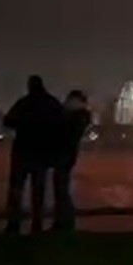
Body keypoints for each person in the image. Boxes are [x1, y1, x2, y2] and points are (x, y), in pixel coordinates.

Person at [3, 75, 63, 235]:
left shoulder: (24, 103)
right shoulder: (52, 103)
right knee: (38, 191)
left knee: (16, 189)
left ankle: (13, 224)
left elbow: (8, 121)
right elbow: (62, 124)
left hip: (22, 150)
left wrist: (23, 124)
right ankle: (37, 225)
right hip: (42, 153)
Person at [52, 90, 91, 231]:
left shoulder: (74, 117)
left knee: (61, 188)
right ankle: (64, 221)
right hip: (68, 155)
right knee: (61, 188)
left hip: (64, 154)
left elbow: (63, 133)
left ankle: (64, 221)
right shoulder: (80, 116)